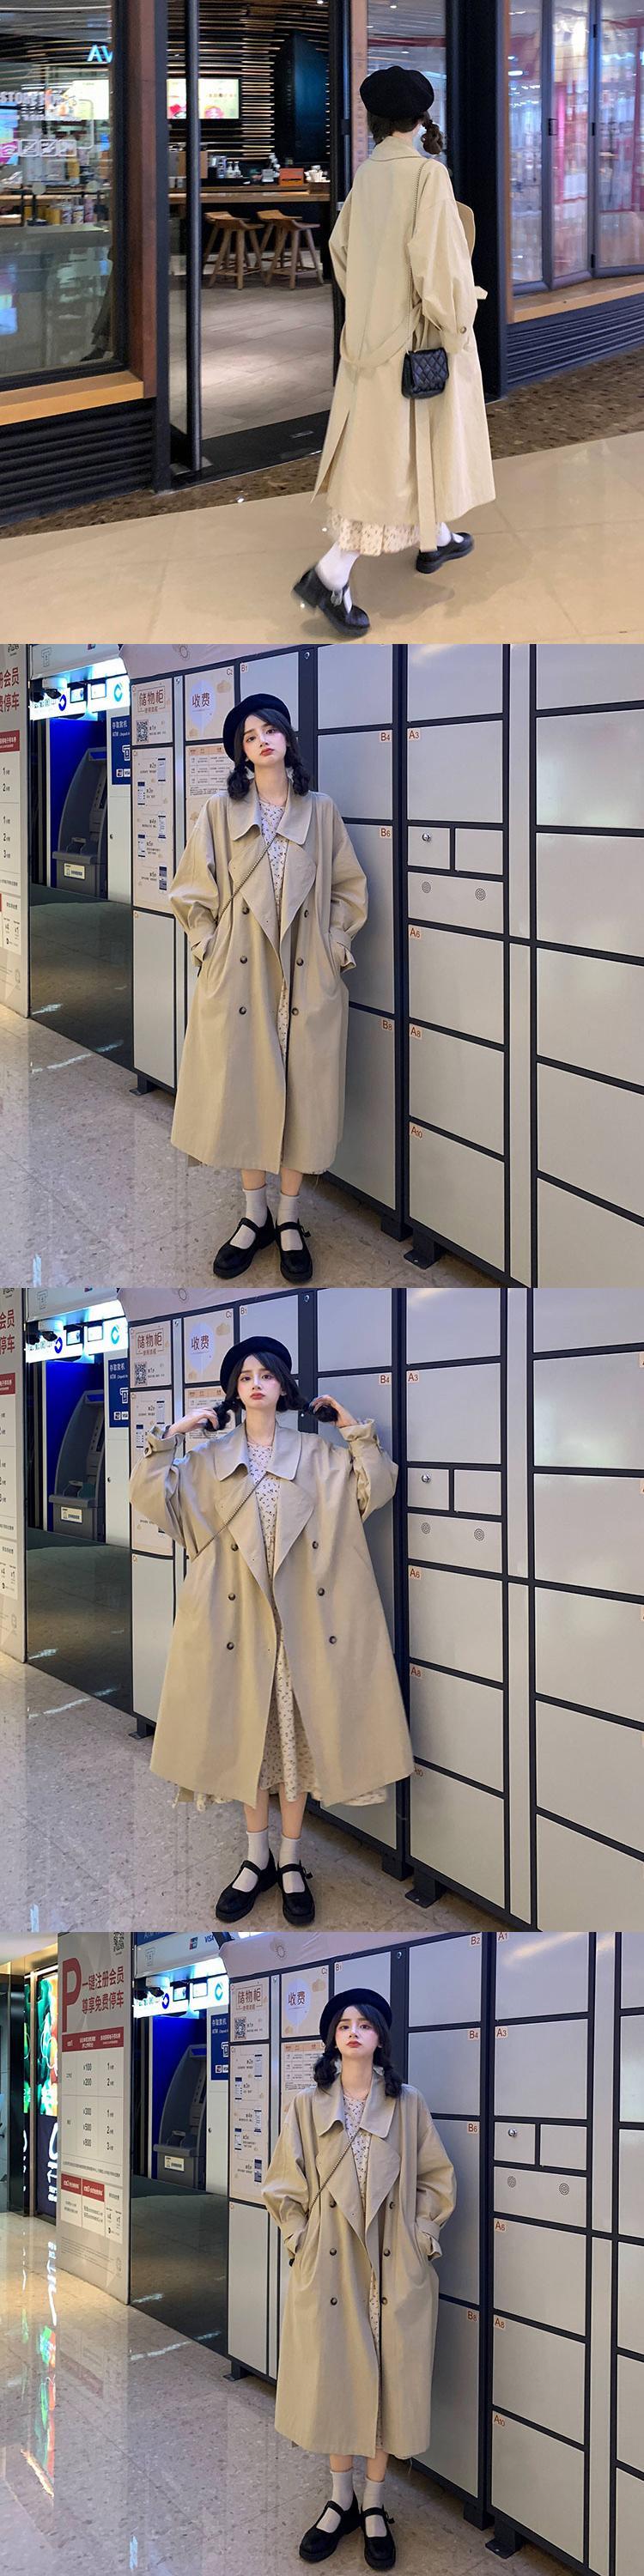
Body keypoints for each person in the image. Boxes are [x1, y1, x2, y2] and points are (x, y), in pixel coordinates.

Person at [128, 1339, 415, 1928]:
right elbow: (152, 1500)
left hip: (302, 1628)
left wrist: (354, 1431)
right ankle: (254, 1858)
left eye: (266, 1375)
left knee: (294, 1749)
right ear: (234, 1391)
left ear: (283, 1386)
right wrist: (172, 1436)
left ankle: (289, 1860)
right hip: (236, 1626)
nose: (256, 1384)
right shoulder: (209, 1459)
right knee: (250, 1746)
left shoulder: (318, 1454)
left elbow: (376, 1488)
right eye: (245, 1377)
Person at [168, 694, 368, 1281]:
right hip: (240, 976)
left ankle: (289, 1217)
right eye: (249, 736)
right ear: (241, 752)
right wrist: (208, 949)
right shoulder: (219, 810)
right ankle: (253, 1215)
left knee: (302, 1094)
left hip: (305, 974)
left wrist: (334, 946)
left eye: (269, 730)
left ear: (287, 739)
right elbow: (190, 891)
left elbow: (348, 888)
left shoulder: (320, 810)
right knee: (244, 1090)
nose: (261, 740)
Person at [295, 66, 495, 638]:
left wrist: (372, 307)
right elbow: (440, 267)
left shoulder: (368, 174)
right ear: (421, 117)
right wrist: (458, 321)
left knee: (391, 452)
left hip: (368, 341)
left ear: (373, 120)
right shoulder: (427, 176)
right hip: (417, 342)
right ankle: (330, 574)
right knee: (391, 462)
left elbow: (340, 253)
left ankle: (436, 537)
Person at [264, 1988, 456, 2567]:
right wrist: (299, 2240)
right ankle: (339, 2498)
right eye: (344, 2024)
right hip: (329, 2264)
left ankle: (373, 2503)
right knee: (335, 2379)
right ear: (333, 2038)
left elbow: (435, 2177)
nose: (353, 2031)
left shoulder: (408, 2103)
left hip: (392, 2263)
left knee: (385, 2382)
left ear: (379, 2038)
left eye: (364, 2024)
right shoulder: (307, 2103)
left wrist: (422, 2235)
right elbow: (283, 2184)